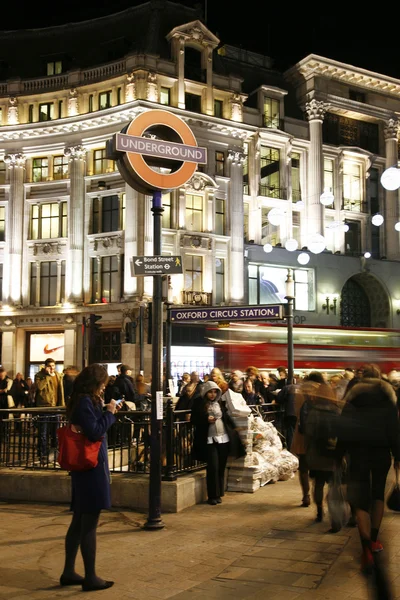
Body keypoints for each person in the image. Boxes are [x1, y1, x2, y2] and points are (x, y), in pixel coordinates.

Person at [60, 363, 119, 592]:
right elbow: (95, 431)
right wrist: (110, 413)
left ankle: (68, 571)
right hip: (90, 468)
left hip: (86, 467)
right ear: (96, 383)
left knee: (79, 520)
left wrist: (104, 410)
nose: (104, 389)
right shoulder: (85, 401)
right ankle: (90, 576)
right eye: (103, 384)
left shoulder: (82, 400)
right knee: (89, 523)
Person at [338, 363, 400, 572]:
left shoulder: (353, 398)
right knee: (377, 495)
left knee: (360, 499)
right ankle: (374, 540)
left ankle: (365, 548)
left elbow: (343, 428)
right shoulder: (389, 400)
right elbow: (394, 430)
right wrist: (398, 455)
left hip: (358, 453)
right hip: (381, 453)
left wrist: (338, 454)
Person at [191, 380, 245, 505]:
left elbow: (226, 417)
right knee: (213, 467)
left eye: (215, 392)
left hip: (223, 438)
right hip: (209, 439)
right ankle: (212, 495)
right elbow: (194, 419)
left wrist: (236, 428)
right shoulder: (199, 403)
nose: (213, 394)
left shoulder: (219, 403)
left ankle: (219, 493)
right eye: (210, 392)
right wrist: (206, 419)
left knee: (221, 466)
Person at [300, 371, 342, 530]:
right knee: (333, 486)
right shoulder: (336, 410)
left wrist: (307, 450)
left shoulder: (314, 412)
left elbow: (308, 434)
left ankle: (319, 512)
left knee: (318, 484)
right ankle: (335, 517)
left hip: (317, 454)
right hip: (332, 454)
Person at [34, 358, 64, 461]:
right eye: (50, 366)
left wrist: (62, 406)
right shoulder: (39, 375)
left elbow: (61, 392)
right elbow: (39, 387)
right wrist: (46, 376)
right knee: (43, 433)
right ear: (45, 366)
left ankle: (54, 454)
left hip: (56, 408)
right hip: (45, 407)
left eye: (53, 366)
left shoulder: (58, 375)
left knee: (55, 433)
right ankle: (42, 453)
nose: (52, 368)